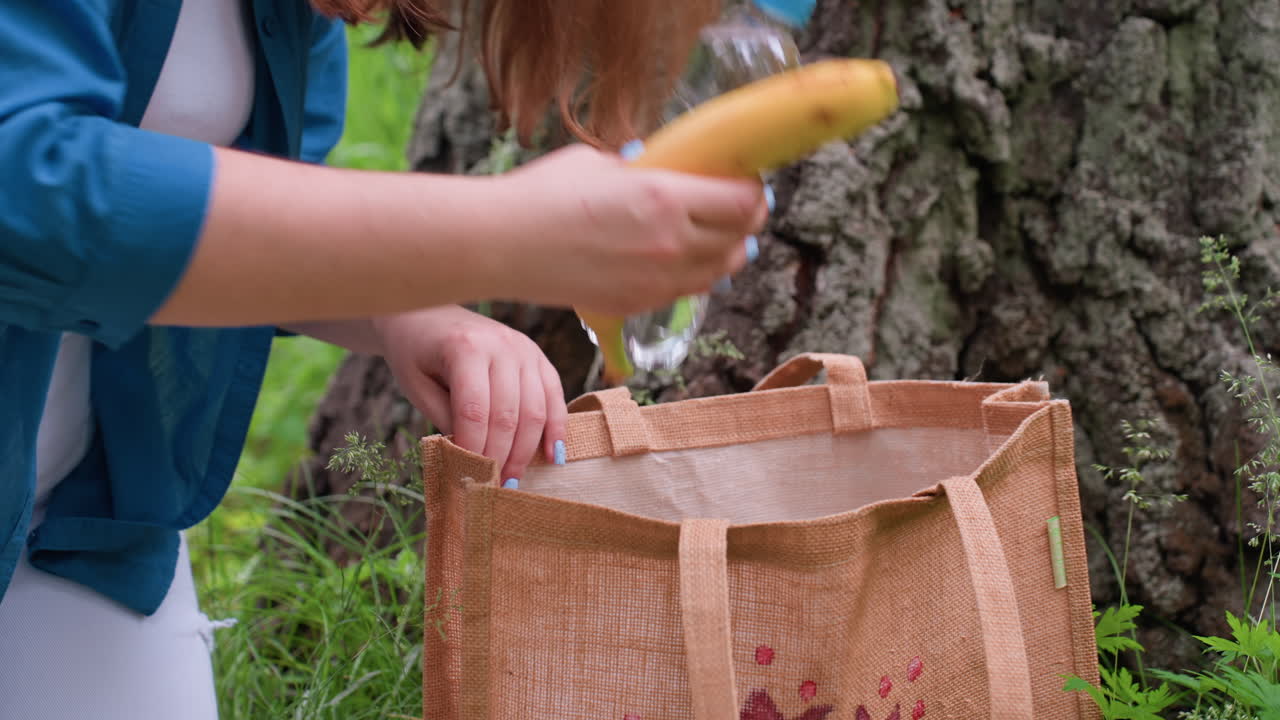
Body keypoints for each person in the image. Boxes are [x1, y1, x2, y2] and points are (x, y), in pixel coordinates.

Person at [0, 0, 765, 717]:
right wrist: (498, 235)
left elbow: (217, 219)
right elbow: (30, 197)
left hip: (67, 516)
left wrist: (406, 311)